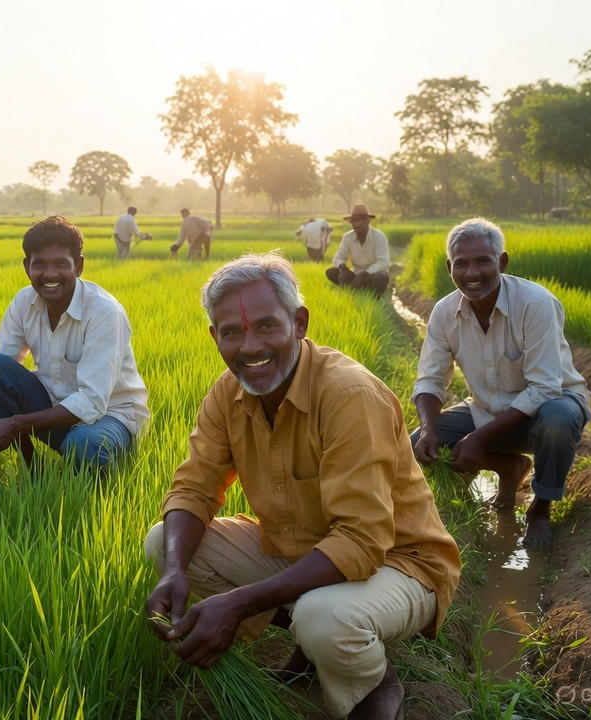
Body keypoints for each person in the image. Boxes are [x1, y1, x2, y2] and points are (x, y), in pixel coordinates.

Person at [144, 252, 459, 720]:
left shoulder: (348, 394)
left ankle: (374, 686)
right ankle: (311, 649)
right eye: (232, 332)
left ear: (299, 322)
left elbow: (361, 539)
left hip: (400, 562)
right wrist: (174, 571)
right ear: (215, 336)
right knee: (165, 543)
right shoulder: (226, 394)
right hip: (306, 549)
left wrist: (240, 602)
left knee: (324, 618)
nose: (250, 346)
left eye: (267, 326)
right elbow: (194, 486)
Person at [411, 218, 590, 549]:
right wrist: (428, 428)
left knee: (558, 419)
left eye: (483, 261)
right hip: (488, 409)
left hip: (550, 405)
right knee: (416, 445)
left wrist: (478, 438)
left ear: (502, 262)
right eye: (461, 263)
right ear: (450, 266)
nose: (472, 273)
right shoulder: (444, 312)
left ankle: (540, 508)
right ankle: (510, 466)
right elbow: (430, 380)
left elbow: (544, 388)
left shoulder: (535, 303)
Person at [0, 216, 149, 471]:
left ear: (78, 266)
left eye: (61, 264)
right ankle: (32, 471)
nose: (50, 274)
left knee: (84, 446)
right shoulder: (24, 302)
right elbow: (0, 363)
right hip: (54, 406)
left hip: (109, 416)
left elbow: (93, 401)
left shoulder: (104, 312)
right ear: (27, 267)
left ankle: (83, 485)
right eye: (40, 265)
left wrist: (15, 423)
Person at [325, 204, 389, 297]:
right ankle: (352, 287)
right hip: (355, 275)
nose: (357, 224)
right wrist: (343, 268)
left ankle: (375, 295)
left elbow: (383, 263)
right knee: (331, 272)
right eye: (354, 222)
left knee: (380, 278)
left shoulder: (379, 237)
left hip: (372, 275)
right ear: (351, 223)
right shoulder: (348, 237)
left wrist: (365, 273)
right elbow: (338, 257)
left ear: (368, 221)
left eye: (361, 220)